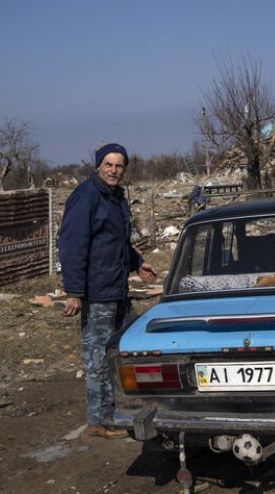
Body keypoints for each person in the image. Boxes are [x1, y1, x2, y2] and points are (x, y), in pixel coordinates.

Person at [58, 143, 156, 439]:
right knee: (99, 358)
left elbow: (116, 243)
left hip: (117, 290)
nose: (114, 170)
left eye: (119, 165)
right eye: (108, 165)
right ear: (98, 166)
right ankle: (100, 421)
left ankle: (130, 404)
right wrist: (74, 291)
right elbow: (72, 245)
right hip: (97, 293)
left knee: (134, 341)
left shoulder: (115, 198)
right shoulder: (86, 197)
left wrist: (138, 263)